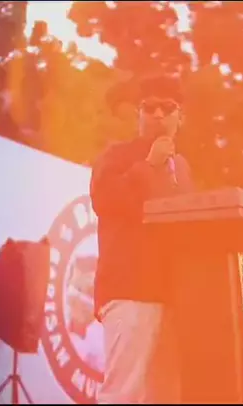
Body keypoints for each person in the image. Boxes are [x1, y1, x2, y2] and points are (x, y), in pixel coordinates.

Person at [89, 74, 194, 404]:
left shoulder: (182, 168)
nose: (158, 114)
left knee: (165, 396)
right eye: (149, 107)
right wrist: (149, 164)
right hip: (129, 291)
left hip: (171, 295)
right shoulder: (117, 156)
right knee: (123, 394)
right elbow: (105, 200)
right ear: (139, 114)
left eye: (167, 107)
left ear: (180, 117)